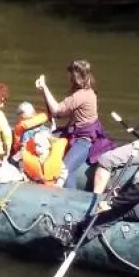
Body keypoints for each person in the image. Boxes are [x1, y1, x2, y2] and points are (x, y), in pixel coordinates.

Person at [35, 59, 114, 190]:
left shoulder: (81, 95)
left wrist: (44, 87)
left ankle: (70, 198)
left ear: (75, 77)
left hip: (85, 139)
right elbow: (63, 114)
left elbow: (57, 111)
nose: (68, 78)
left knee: (65, 169)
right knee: (45, 136)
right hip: (74, 131)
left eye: (70, 75)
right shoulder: (88, 87)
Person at [12, 102, 67, 186]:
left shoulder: (27, 134)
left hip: (44, 177)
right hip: (39, 174)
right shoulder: (45, 130)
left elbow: (22, 153)